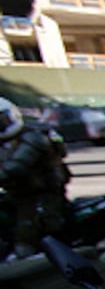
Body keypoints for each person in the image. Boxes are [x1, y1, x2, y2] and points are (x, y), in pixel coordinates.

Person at [0, 97, 70, 260]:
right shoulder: (6, 141)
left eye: (2, 121)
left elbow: (16, 166)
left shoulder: (33, 137)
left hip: (42, 194)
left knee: (26, 233)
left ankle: (25, 263)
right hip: (18, 193)